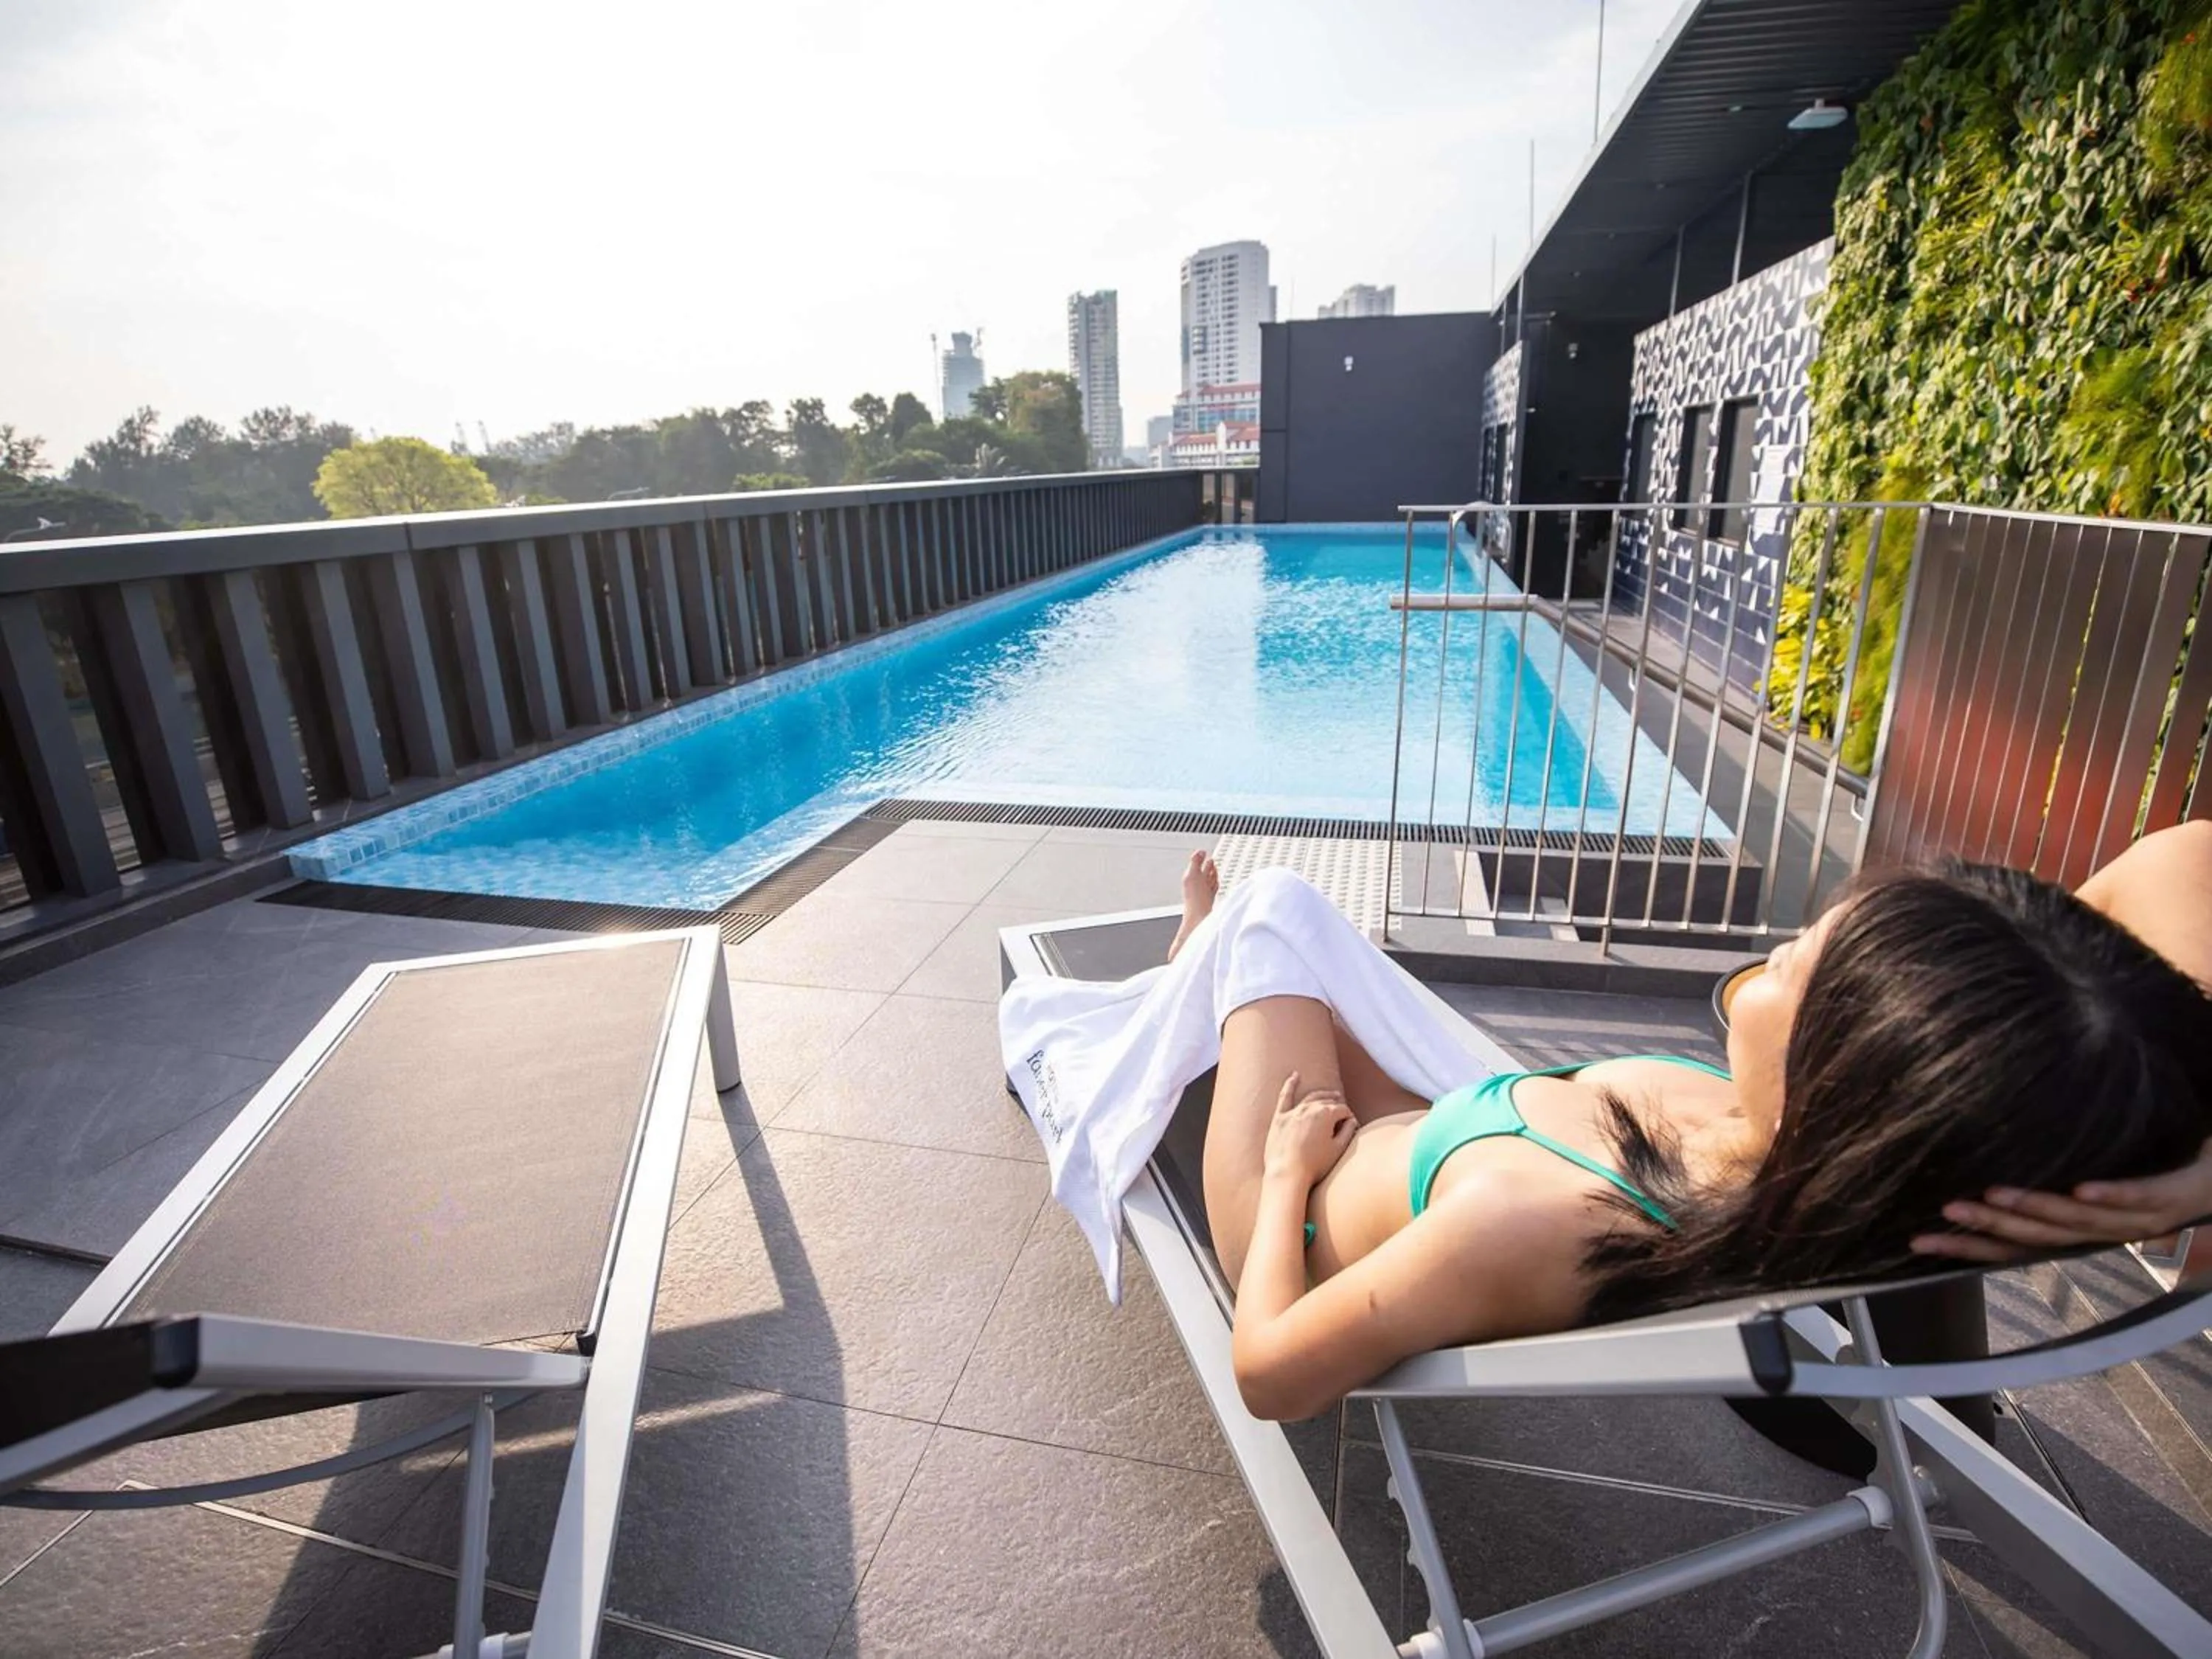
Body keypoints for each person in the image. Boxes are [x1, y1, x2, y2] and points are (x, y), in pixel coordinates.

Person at [1178, 823, 2212, 1422]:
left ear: (1837, 1080)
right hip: (1422, 1143)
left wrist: (1279, 1180)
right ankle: (1192, 968)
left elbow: (1270, 1372)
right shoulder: (1817, 1155)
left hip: (1308, 1220)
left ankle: (1191, 966)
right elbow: (2191, 862)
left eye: (1801, 958)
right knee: (1279, 927)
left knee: (1266, 910)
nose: (1772, 954)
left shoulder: (1527, 1220)